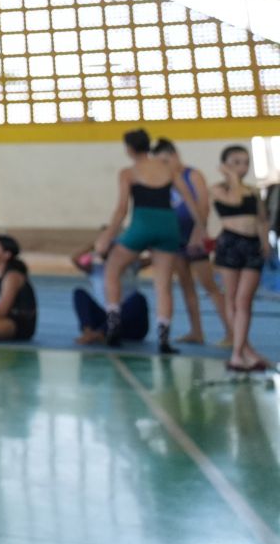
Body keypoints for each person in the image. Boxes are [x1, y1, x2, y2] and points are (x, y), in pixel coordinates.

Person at [98, 129, 198, 353]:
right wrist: (200, 227)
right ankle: (163, 339)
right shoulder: (168, 168)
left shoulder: (129, 172)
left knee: (112, 269)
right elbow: (189, 199)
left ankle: (114, 326)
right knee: (163, 285)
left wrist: (107, 236)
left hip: (142, 222)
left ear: (129, 149)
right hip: (168, 224)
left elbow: (122, 209)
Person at [153, 138, 227, 345]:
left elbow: (203, 206)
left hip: (195, 238)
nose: (164, 166)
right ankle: (197, 332)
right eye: (160, 163)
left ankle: (230, 331)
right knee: (186, 287)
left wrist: (198, 232)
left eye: (166, 161)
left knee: (209, 286)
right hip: (175, 238)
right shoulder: (164, 178)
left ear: (175, 155)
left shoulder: (192, 175)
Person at [209, 144, 272, 372]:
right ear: (225, 165)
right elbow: (234, 201)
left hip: (252, 245)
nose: (242, 167)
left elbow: (261, 218)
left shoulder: (253, 190)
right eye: (236, 162)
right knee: (232, 299)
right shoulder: (218, 189)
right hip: (230, 244)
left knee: (244, 301)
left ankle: (243, 349)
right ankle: (239, 352)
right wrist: (232, 177)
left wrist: (265, 242)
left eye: (246, 162)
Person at [72, 230, 148, 344]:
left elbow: (154, 258)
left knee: (139, 299)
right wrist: (96, 244)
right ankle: (89, 332)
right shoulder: (96, 268)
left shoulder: (131, 265)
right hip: (105, 319)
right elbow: (75, 258)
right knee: (79, 293)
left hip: (129, 326)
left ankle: (100, 333)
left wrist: (131, 245)